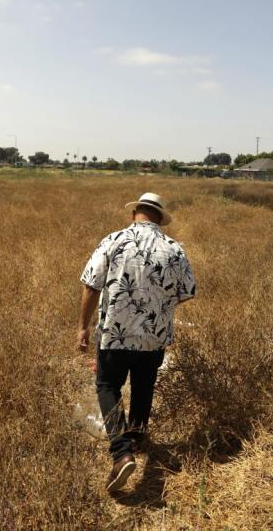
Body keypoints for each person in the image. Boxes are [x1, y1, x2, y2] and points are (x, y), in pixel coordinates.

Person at [78, 192, 196, 492]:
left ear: (135, 214)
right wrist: (157, 308)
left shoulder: (114, 240)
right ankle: (137, 439)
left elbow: (91, 285)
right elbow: (186, 292)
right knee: (144, 386)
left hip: (115, 333)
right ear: (159, 217)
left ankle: (121, 452)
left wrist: (82, 327)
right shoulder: (174, 248)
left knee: (107, 385)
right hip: (153, 336)